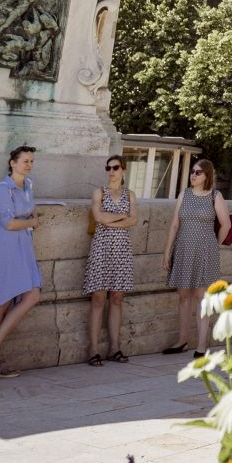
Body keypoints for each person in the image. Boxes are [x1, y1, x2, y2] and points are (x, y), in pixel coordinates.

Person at [0, 145, 43, 378]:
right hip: (5, 243)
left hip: (22, 244)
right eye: (25, 161)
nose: (29, 164)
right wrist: (31, 223)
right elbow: (8, 223)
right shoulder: (2, 188)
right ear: (12, 163)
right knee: (3, 300)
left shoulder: (28, 185)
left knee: (32, 294)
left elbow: (31, 210)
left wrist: (30, 220)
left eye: (31, 161)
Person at [162, 158, 229, 356]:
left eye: (198, 172)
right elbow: (175, 224)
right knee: (183, 296)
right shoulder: (184, 194)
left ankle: (201, 345)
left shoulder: (215, 196)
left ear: (207, 175)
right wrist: (167, 252)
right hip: (183, 249)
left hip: (205, 251)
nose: (193, 175)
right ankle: (182, 340)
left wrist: (214, 244)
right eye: (192, 171)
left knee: (201, 297)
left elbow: (226, 224)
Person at [83, 156, 136, 367]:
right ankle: (93, 348)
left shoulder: (130, 195)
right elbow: (98, 217)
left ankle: (115, 347)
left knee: (116, 298)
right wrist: (121, 216)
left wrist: (111, 218)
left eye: (115, 167)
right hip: (101, 248)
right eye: (108, 167)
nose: (111, 171)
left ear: (123, 170)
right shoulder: (99, 192)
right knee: (98, 298)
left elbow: (133, 220)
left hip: (121, 250)